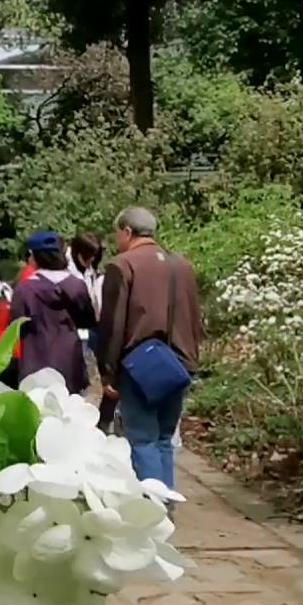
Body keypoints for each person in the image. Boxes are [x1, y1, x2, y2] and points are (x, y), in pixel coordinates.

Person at [97, 207, 203, 489]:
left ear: (127, 232)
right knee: (164, 439)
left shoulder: (122, 266)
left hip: (139, 365)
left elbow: (113, 323)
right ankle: (165, 505)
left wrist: (108, 372)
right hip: (179, 362)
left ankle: (152, 509)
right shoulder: (183, 265)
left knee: (142, 438)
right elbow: (195, 316)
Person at [10, 232, 97, 391]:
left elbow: (15, 326)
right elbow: (87, 321)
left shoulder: (24, 289)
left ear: (33, 256)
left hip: (35, 361)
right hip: (69, 360)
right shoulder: (76, 285)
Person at [70, 233, 114, 428]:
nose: (90, 262)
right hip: (77, 330)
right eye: (88, 257)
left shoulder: (90, 272)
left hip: (93, 328)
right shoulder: (69, 271)